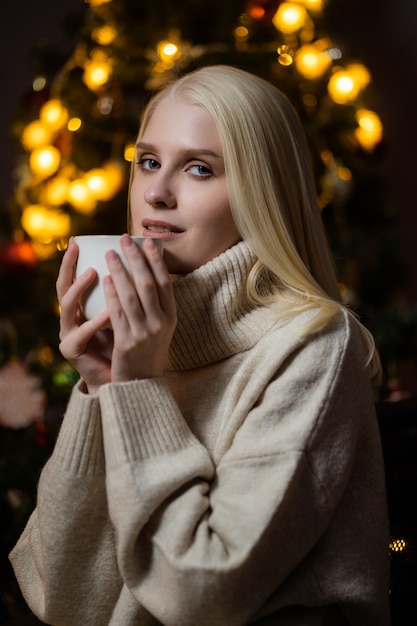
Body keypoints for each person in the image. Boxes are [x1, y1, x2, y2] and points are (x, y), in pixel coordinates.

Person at [9, 65, 391, 625]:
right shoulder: (134, 347)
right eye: (148, 162)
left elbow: (201, 598)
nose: (158, 193)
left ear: (261, 192)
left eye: (199, 168)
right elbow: (59, 597)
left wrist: (138, 388)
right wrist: (102, 387)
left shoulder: (312, 347)